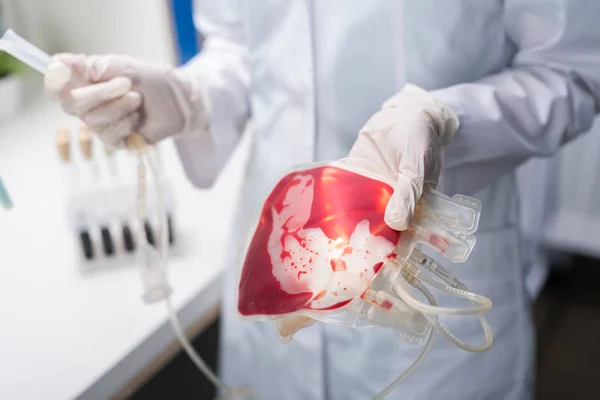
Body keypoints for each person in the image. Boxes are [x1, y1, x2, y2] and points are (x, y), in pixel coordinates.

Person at [44, 1, 600, 399]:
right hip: (281, 263)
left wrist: (451, 118)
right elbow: (243, 44)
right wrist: (191, 96)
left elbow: (573, 72)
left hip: (428, 283)